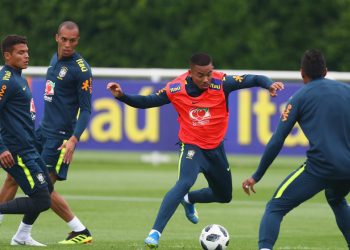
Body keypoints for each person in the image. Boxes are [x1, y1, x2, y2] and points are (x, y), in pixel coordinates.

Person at [107, 52, 284, 248]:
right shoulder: (176, 88)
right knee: (184, 182)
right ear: (190, 72)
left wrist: (269, 84)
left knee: (224, 196)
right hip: (191, 146)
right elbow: (148, 101)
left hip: (216, 149)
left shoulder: (222, 82)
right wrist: (122, 96)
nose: (206, 79)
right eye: (201, 75)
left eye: (209, 73)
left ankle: (188, 199)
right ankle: (155, 233)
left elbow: (253, 78)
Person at [242, 49, 350, 250]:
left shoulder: (298, 98)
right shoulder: (347, 91)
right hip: (348, 169)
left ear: (302, 73)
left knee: (275, 208)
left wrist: (257, 175)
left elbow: (277, 140)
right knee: (336, 198)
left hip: (320, 168)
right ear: (326, 71)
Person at [0, 21, 93, 245]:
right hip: (41, 132)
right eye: (64, 39)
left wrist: (73, 139)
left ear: (78, 41)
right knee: (13, 178)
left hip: (60, 137)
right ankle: (22, 235)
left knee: (44, 189)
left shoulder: (81, 70)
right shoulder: (53, 60)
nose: (68, 44)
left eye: (73, 40)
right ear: (57, 38)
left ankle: (78, 230)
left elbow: (87, 109)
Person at [0, 35, 52, 246]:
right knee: (42, 200)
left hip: (29, 147)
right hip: (16, 151)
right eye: (21, 53)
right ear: (7, 55)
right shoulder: (5, 80)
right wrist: (2, 148)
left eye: (27, 52)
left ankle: (22, 235)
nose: (26, 56)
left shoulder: (19, 78)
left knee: (47, 188)